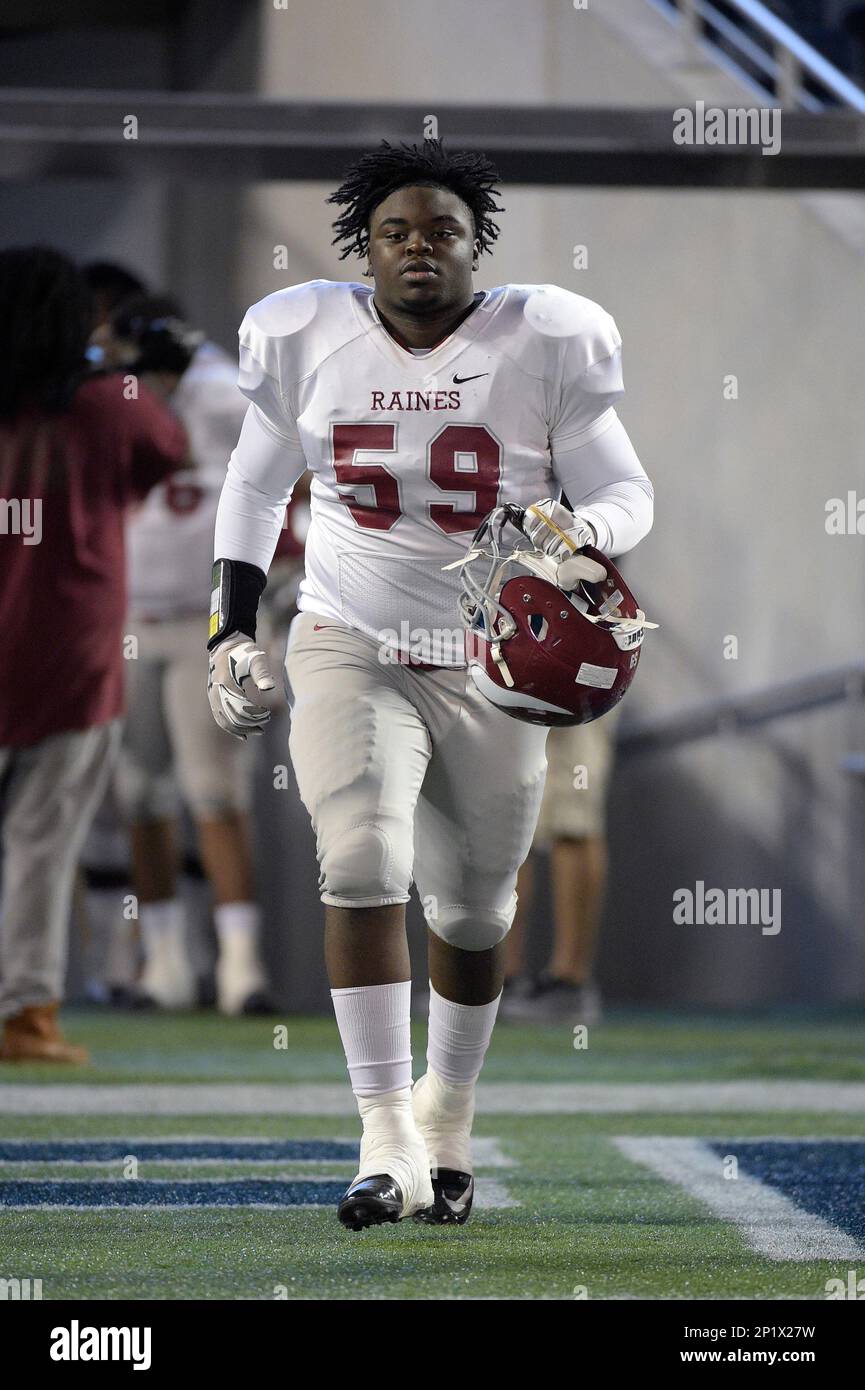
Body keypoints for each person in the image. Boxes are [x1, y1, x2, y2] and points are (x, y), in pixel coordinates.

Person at [206, 139, 654, 1227]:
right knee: (360, 855)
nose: (418, 249)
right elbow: (255, 484)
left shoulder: (546, 336)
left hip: (490, 656)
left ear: (474, 245)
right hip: (345, 632)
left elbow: (628, 489)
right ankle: (384, 1135)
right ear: (364, 244)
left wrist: (577, 528)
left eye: (441, 232)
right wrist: (229, 626)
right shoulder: (301, 332)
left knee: (474, 905)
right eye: (397, 232)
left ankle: (445, 1119)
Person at [0, 248, 187, 1063]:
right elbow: (165, 450)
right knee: (43, 843)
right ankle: (23, 1014)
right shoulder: (114, 404)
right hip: (68, 647)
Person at [106, 295, 275, 1014]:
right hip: (130, 619)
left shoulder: (226, 394)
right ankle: (166, 961)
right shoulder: (113, 402)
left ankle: (241, 965)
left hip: (208, 623)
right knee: (141, 795)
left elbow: (284, 481)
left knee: (215, 793)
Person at [501, 713, 620, 1025]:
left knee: (572, 811)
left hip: (583, 669)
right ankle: (500, 978)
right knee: (506, 806)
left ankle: (569, 982)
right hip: (503, 669)